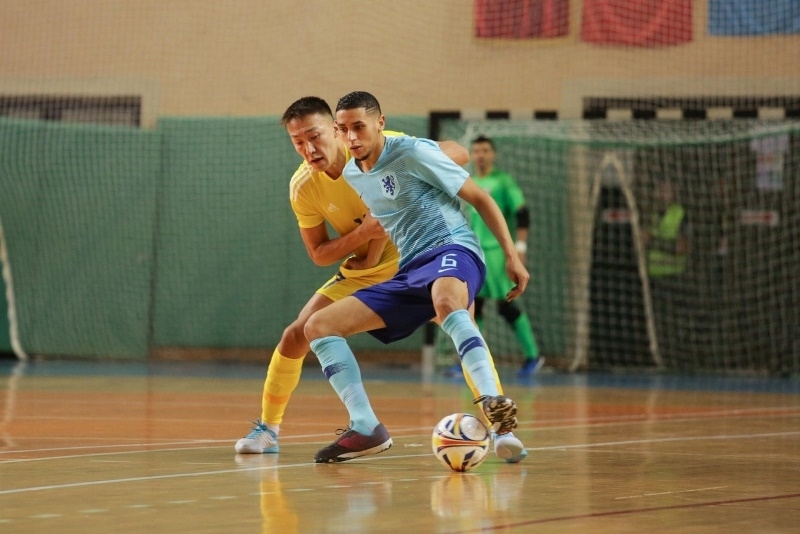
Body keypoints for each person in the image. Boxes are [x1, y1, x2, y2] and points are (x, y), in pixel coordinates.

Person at [235, 97, 519, 458]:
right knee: (298, 333)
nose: (309, 148)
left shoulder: (379, 146)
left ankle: (501, 428)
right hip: (368, 271)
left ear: (333, 131)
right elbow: (319, 253)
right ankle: (270, 430)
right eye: (298, 142)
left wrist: (419, 165)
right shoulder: (305, 186)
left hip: (419, 255)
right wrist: (364, 235)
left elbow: (457, 152)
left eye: (314, 136)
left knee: (457, 317)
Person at [447, 135, 544, 379]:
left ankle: (533, 355)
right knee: (473, 306)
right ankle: (471, 361)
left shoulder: (503, 181)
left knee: (506, 305)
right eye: (477, 150)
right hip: (475, 251)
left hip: (498, 253)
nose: (480, 155)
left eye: (485, 150)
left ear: (493, 154)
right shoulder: (469, 180)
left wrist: (519, 248)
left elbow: (522, 213)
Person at [641, 178, 690, 366]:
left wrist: (652, 241)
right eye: (659, 189)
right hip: (653, 277)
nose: (661, 194)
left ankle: (675, 359)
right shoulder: (652, 215)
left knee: (673, 323)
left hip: (673, 277)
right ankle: (658, 359)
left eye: (666, 190)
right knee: (655, 323)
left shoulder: (681, 215)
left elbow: (682, 247)